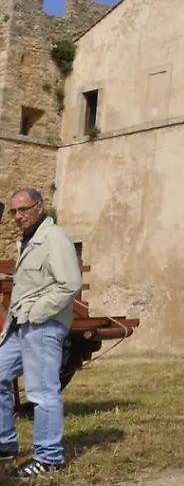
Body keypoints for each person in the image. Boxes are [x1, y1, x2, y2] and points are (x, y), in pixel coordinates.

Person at [0, 189, 81, 477]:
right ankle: (4, 444)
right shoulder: (28, 240)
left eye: (24, 209)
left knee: (42, 391)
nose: (18, 216)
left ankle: (48, 457)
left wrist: (36, 312)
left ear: (39, 206)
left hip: (43, 325)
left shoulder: (54, 238)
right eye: (14, 212)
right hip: (19, 325)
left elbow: (69, 284)